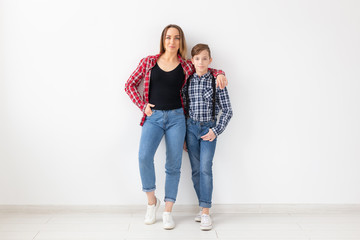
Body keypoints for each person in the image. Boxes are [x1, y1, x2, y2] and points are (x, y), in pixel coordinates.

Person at [124, 24, 228, 230]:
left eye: (176, 38)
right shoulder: (148, 62)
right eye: (168, 37)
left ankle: (168, 211)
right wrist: (142, 105)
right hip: (153, 118)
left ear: (181, 42)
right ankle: (152, 202)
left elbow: (205, 67)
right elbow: (129, 85)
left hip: (177, 119)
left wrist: (220, 73)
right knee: (144, 156)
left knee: (173, 165)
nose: (172, 41)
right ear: (163, 40)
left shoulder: (187, 65)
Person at [183, 43, 233, 230]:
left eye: (205, 58)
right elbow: (184, 109)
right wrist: (183, 137)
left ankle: (205, 213)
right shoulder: (187, 81)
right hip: (190, 129)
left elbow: (228, 111)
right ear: (192, 61)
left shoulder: (216, 80)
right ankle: (202, 205)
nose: (201, 62)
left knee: (205, 168)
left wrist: (216, 131)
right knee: (195, 171)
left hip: (208, 130)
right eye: (197, 59)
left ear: (210, 60)